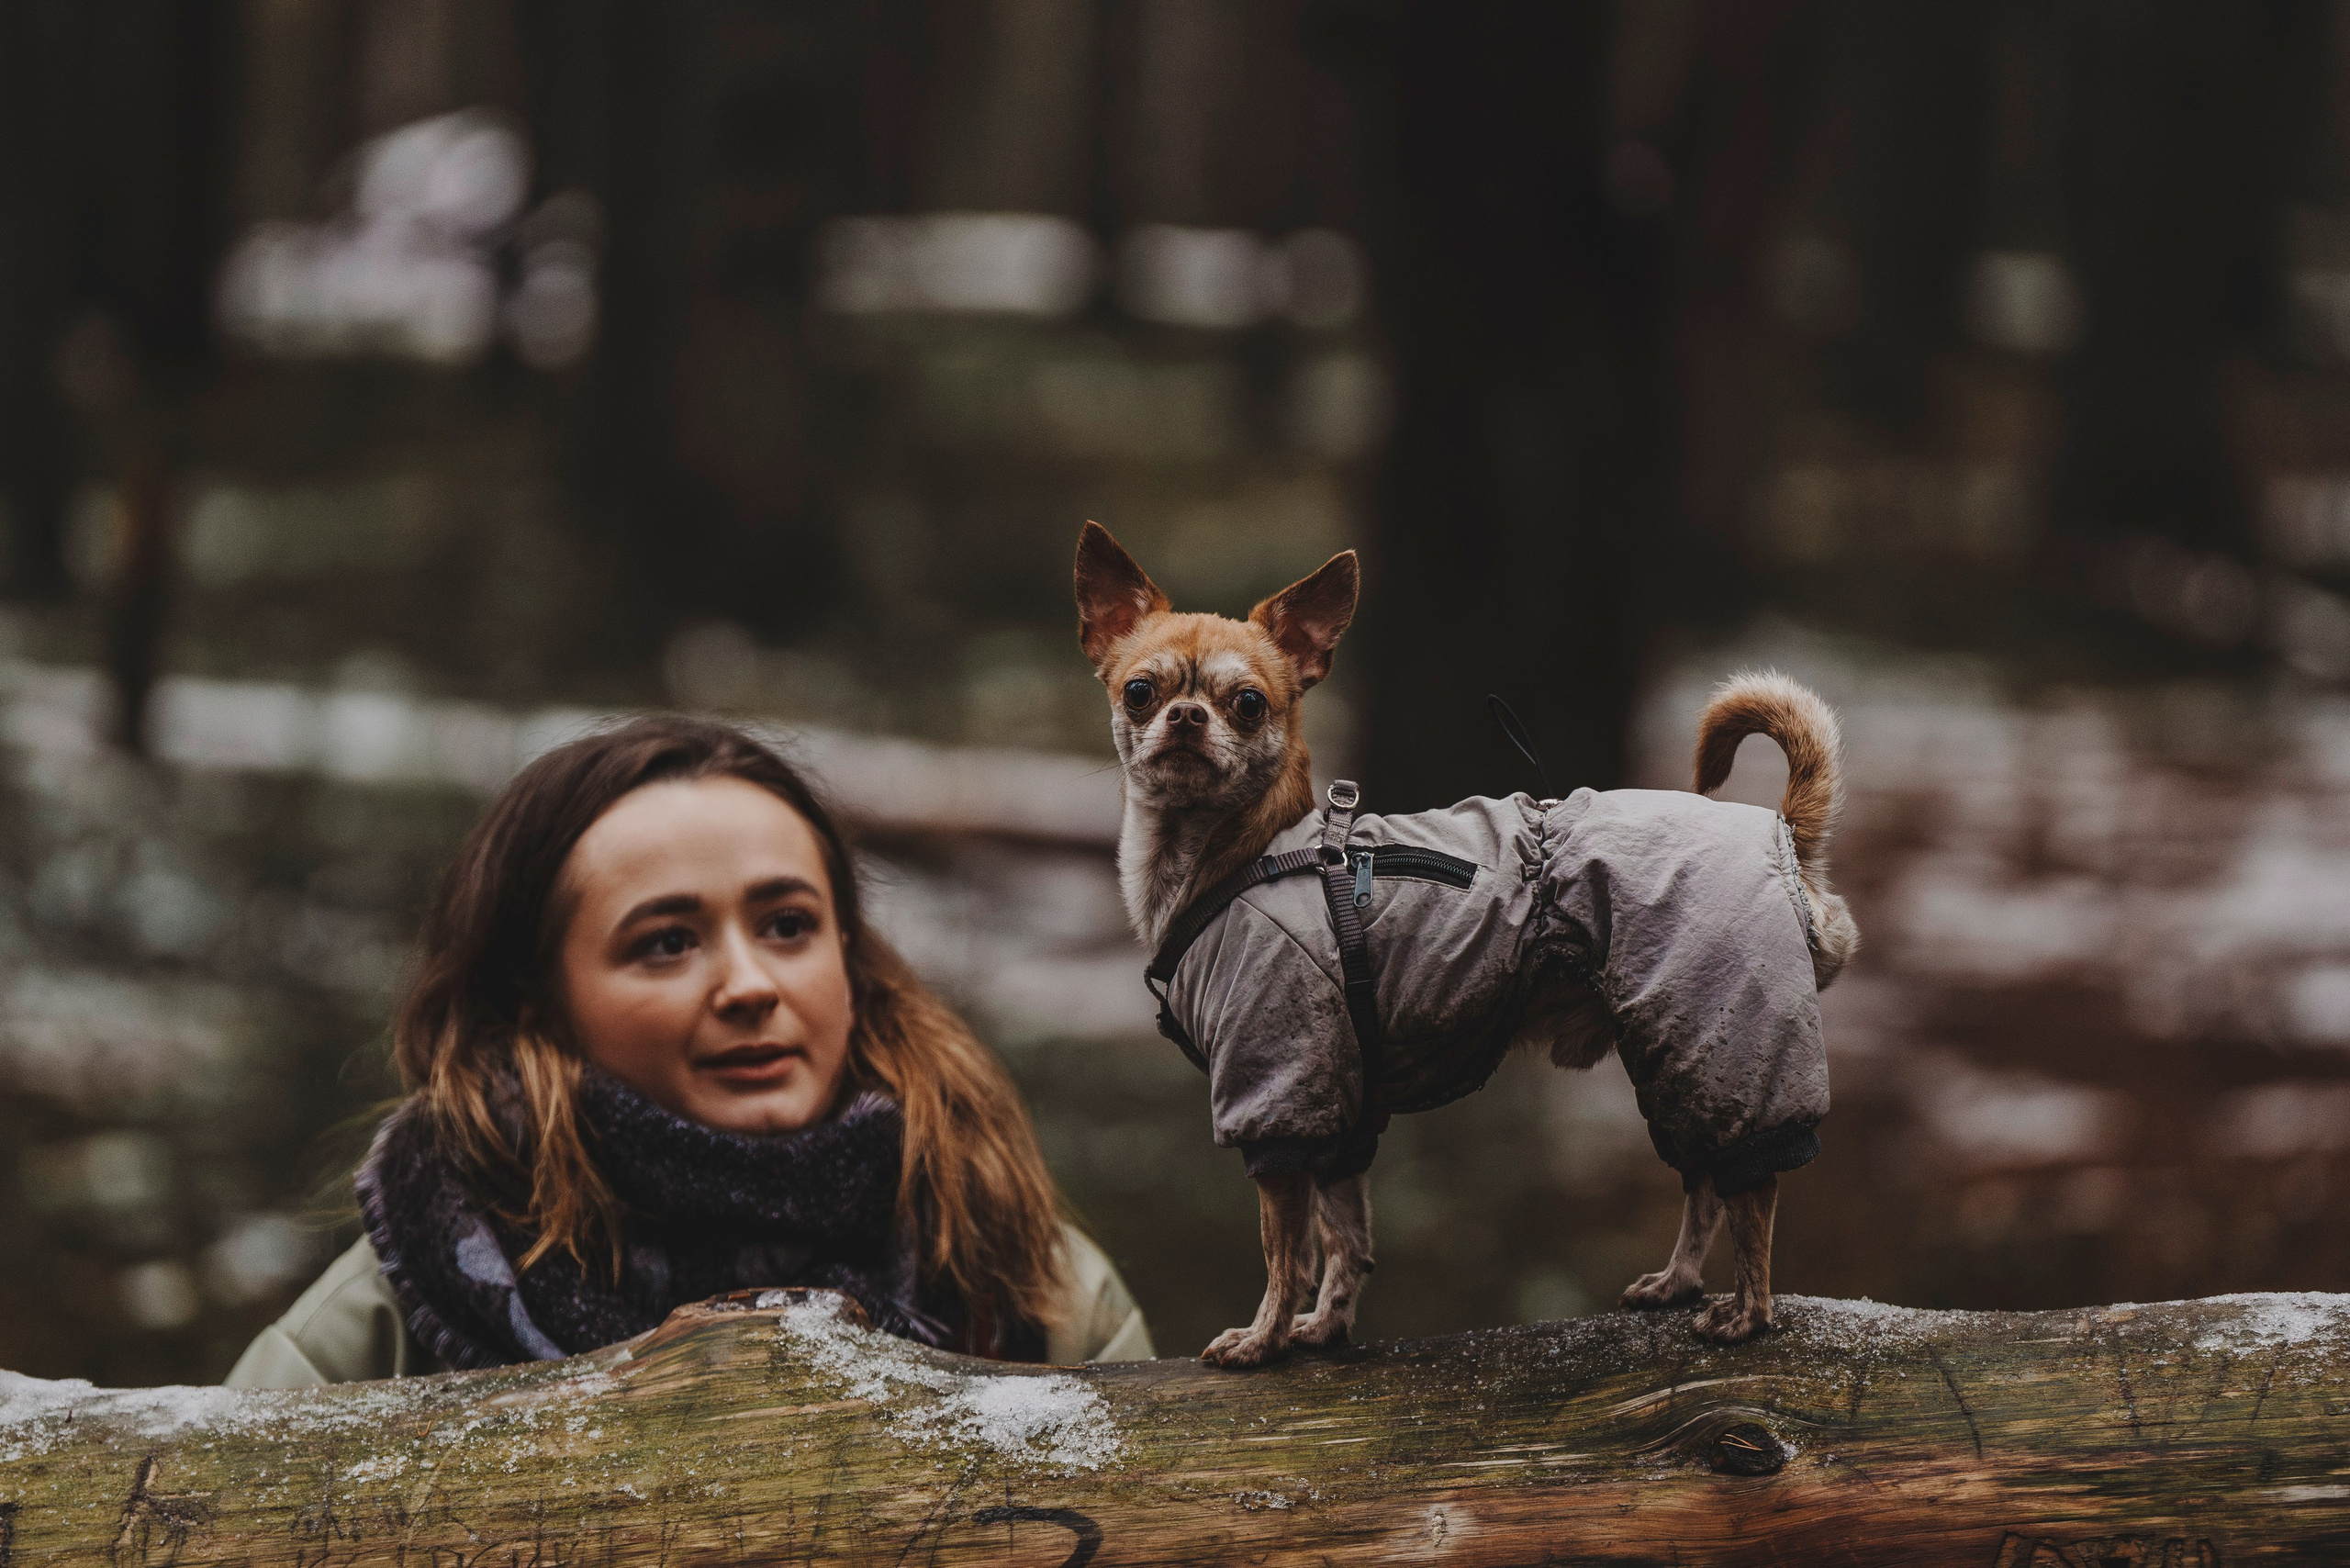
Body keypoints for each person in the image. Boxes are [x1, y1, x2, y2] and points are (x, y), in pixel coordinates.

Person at [226, 715, 1150, 1385]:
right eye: (666, 942)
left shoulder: (1034, 1285)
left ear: (851, 958)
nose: (749, 985)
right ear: (537, 1003)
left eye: (788, 924)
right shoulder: (392, 1319)